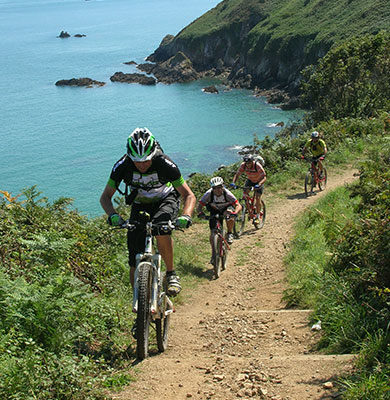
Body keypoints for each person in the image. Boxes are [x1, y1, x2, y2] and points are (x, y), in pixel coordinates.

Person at [100, 127, 196, 298]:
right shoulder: (122, 166)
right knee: (133, 256)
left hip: (165, 199)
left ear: (153, 153)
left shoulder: (165, 163)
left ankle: (171, 274)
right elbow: (105, 197)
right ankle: (138, 305)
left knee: (161, 229)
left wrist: (186, 215)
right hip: (140, 204)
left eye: (146, 160)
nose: (142, 165)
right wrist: (113, 215)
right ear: (129, 156)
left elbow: (188, 195)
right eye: (137, 162)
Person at [197, 177, 242, 261]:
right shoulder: (208, 194)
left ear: (223, 186)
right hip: (214, 210)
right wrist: (200, 213)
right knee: (212, 233)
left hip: (226, 208)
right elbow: (199, 206)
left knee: (229, 215)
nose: (217, 190)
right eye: (214, 188)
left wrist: (235, 213)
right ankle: (214, 253)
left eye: (219, 187)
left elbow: (238, 205)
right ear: (212, 188)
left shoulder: (227, 194)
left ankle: (229, 233)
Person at [231, 154, 266, 221]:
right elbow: (237, 174)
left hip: (259, 181)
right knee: (245, 194)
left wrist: (259, 184)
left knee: (258, 198)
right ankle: (249, 209)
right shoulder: (243, 165)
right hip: (250, 180)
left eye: (249, 163)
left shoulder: (257, 166)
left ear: (252, 161)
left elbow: (264, 177)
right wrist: (233, 182)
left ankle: (258, 215)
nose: (248, 165)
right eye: (246, 163)